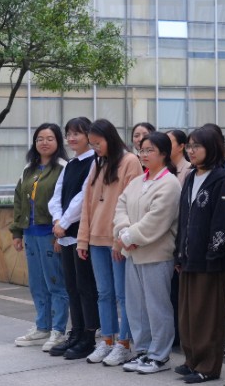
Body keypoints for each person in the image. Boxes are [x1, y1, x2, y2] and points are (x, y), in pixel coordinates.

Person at [114, 130, 180, 374]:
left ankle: (160, 355)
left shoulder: (170, 183)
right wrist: (124, 233)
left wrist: (128, 237)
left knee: (157, 307)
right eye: (141, 150)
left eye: (149, 150)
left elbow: (157, 219)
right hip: (133, 254)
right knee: (136, 307)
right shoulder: (137, 182)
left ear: (164, 153)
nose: (143, 155)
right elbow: (120, 207)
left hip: (156, 254)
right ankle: (142, 350)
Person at [78, 119, 143, 366]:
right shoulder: (98, 164)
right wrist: (83, 239)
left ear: (110, 138)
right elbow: (87, 205)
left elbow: (133, 205)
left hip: (118, 240)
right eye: (92, 144)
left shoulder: (130, 161)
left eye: (98, 143)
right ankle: (106, 340)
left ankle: (124, 344)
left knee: (123, 294)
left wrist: (121, 239)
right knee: (104, 293)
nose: (95, 148)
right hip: (96, 240)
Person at [174, 124, 225, 383]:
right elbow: (183, 218)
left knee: (207, 314)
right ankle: (192, 360)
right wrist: (179, 252)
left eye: (196, 146)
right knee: (188, 313)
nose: (191, 150)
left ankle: (208, 366)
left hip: (209, 260)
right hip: (188, 256)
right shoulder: (190, 177)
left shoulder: (221, 179)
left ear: (211, 148)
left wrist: (214, 254)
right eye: (189, 146)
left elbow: (222, 222)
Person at [10, 123, 70, 352]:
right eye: (40, 139)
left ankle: (58, 330)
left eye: (50, 138)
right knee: (37, 284)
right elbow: (18, 200)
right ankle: (42, 327)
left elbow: (66, 202)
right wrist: (17, 232)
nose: (44, 143)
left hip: (51, 234)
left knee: (56, 283)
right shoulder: (29, 169)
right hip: (30, 233)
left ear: (58, 142)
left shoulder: (64, 168)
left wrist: (61, 234)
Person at [50, 118, 99, 360]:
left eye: (77, 133)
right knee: (71, 286)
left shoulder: (94, 162)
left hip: (81, 233)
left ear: (89, 135)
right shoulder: (69, 164)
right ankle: (76, 332)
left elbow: (83, 197)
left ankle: (89, 336)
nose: (71, 138)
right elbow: (56, 196)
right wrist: (58, 220)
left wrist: (65, 222)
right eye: (68, 133)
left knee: (85, 287)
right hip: (65, 233)